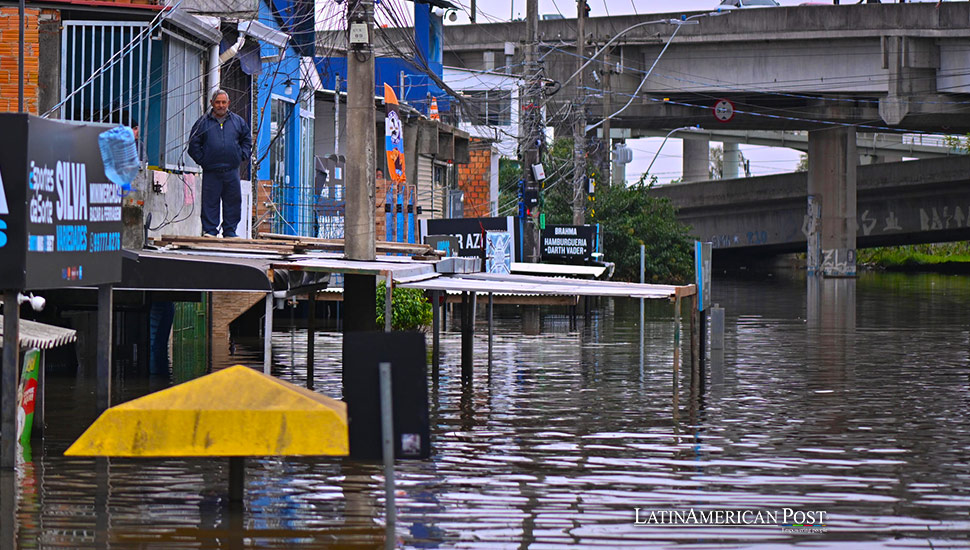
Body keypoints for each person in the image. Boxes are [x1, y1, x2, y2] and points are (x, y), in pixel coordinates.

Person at [188, 89, 252, 238]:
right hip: (211, 171)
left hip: (231, 170)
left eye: (223, 102)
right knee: (210, 201)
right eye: (217, 102)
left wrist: (241, 155)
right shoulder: (203, 123)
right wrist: (204, 160)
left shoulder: (238, 122)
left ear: (228, 103)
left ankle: (230, 231)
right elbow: (193, 144)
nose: (221, 105)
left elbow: (247, 140)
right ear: (212, 103)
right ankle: (210, 231)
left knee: (233, 201)